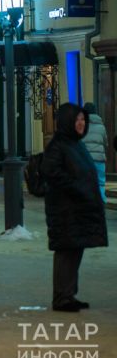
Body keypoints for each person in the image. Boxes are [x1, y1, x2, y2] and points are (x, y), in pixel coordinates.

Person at [41, 102, 108, 312]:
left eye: (82, 119)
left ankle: (69, 294)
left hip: (76, 211)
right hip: (65, 211)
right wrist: (76, 187)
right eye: (77, 119)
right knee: (66, 254)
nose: (81, 123)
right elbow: (51, 172)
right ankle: (62, 298)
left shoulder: (75, 143)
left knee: (74, 252)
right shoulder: (59, 144)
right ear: (67, 122)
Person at [81, 102, 108, 196]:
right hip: (100, 159)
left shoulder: (82, 126)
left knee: (85, 182)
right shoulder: (102, 127)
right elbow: (105, 143)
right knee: (100, 183)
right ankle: (101, 202)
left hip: (85, 160)